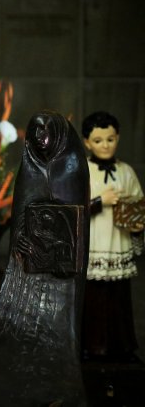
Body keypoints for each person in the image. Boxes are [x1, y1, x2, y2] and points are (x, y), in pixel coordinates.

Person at [81, 111, 144, 361]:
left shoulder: (126, 171)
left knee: (119, 300)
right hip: (95, 243)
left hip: (118, 242)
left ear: (118, 138)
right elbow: (73, 210)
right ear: (87, 142)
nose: (105, 145)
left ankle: (122, 346)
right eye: (98, 140)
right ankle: (90, 346)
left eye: (110, 139)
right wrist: (99, 201)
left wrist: (138, 225)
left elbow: (137, 202)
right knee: (93, 300)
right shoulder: (82, 171)